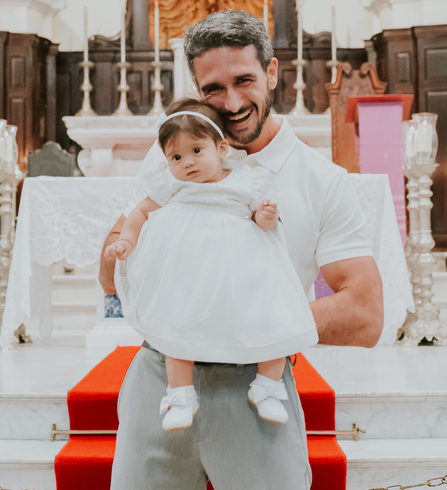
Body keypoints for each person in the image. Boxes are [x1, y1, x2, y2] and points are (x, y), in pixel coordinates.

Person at [101, 10, 384, 490]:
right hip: (161, 378)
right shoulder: (172, 162)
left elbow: (365, 314)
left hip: (254, 390)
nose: (230, 102)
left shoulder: (318, 180)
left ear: (273, 72)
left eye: (244, 82)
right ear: (195, 91)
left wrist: (245, 324)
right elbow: (110, 280)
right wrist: (121, 246)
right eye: (213, 88)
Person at [103, 99, 318, 431]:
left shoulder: (246, 179)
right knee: (178, 325)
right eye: (176, 157)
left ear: (221, 148)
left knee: (272, 319)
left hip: (241, 272)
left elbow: (260, 219)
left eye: (196, 151)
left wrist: (266, 216)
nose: (187, 162)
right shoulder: (173, 184)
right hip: (189, 274)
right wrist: (127, 241)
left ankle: (268, 388)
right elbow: (140, 213)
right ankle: (180, 395)